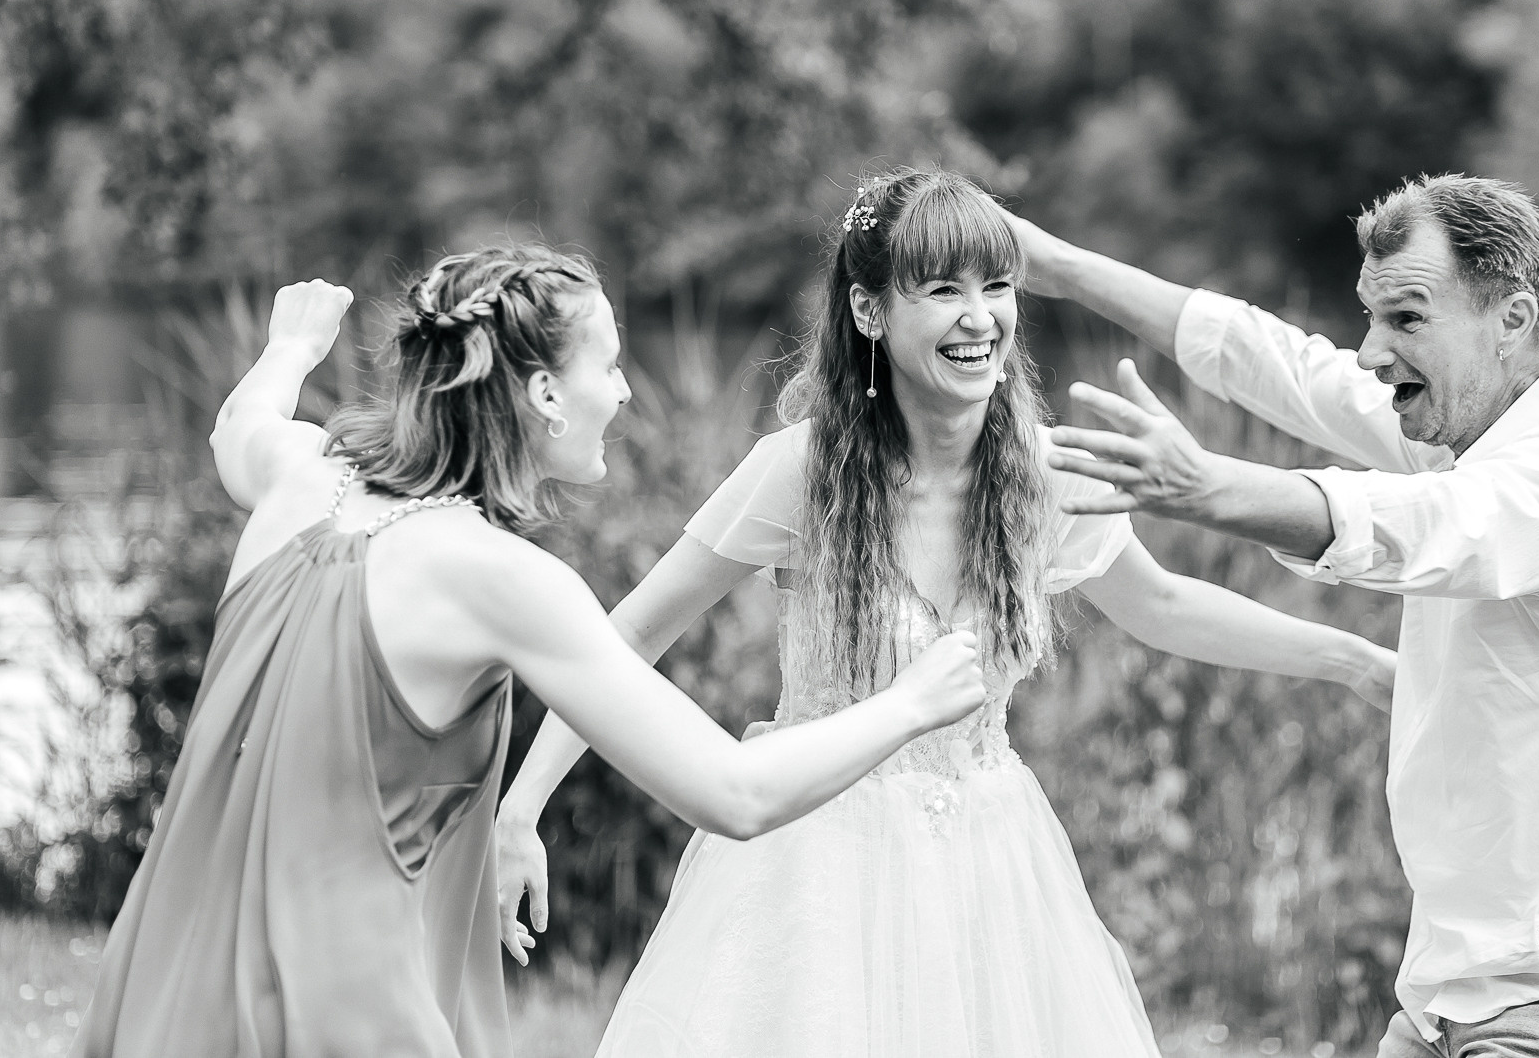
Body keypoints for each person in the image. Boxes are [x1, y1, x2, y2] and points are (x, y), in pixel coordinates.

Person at [494, 169, 1397, 1058]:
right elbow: (632, 636)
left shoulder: (1047, 474)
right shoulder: (801, 471)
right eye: (942, 289)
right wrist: (521, 809)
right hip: (812, 868)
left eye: (997, 285)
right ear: (869, 311)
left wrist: (1354, 659)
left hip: (991, 865)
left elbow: (1161, 604)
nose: (980, 317)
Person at [75, 243, 988, 1058]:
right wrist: (908, 703)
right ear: (546, 394)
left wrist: (293, 346)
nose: (627, 390)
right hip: (340, 1011)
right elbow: (735, 793)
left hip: (165, 982)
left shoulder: (300, 478)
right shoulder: (502, 579)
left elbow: (240, 422)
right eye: (613, 364)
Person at [1007, 174, 1539, 1057]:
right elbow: (1273, 360)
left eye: (1407, 318)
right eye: (1370, 315)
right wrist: (1056, 264)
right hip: (1451, 998)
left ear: (1512, 316)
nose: (1368, 350)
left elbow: (1423, 528)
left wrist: (1207, 489)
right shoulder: (1463, 436)